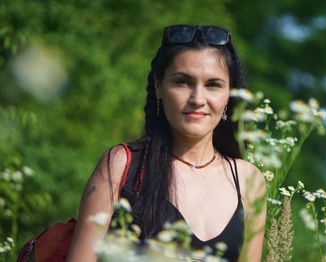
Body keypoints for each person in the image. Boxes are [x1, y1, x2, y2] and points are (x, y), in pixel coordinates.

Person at [67, 24, 267, 262]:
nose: (198, 99)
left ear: (229, 96)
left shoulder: (248, 181)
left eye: (213, 85)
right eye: (183, 82)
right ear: (159, 87)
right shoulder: (123, 165)